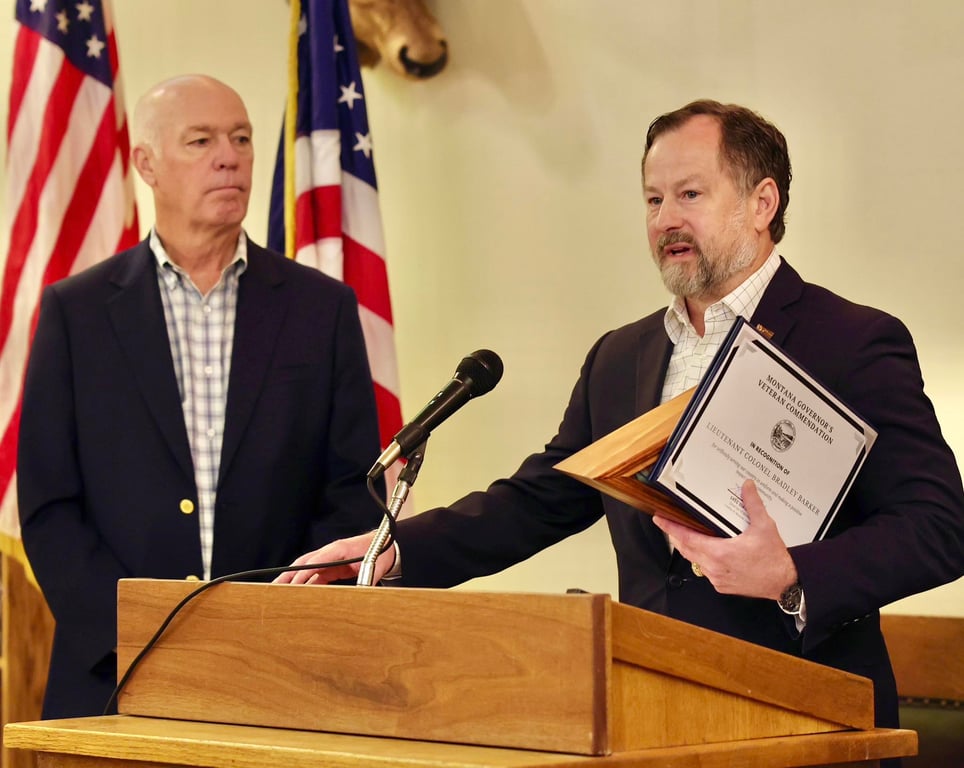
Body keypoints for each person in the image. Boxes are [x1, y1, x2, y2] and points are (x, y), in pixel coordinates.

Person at [276, 100, 964, 740]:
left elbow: (938, 527)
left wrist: (791, 573)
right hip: (651, 712)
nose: (667, 219)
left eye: (690, 195)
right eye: (653, 199)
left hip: (810, 714)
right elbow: (542, 499)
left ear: (762, 202)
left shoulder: (851, 340)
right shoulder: (622, 355)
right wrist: (397, 550)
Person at [17, 75, 385, 719]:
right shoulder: (75, 312)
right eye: (202, 139)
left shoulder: (321, 309)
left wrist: (280, 629)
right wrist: (131, 637)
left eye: (241, 138)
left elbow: (352, 491)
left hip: (281, 676)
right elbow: (50, 506)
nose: (230, 155)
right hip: (113, 680)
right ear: (147, 164)